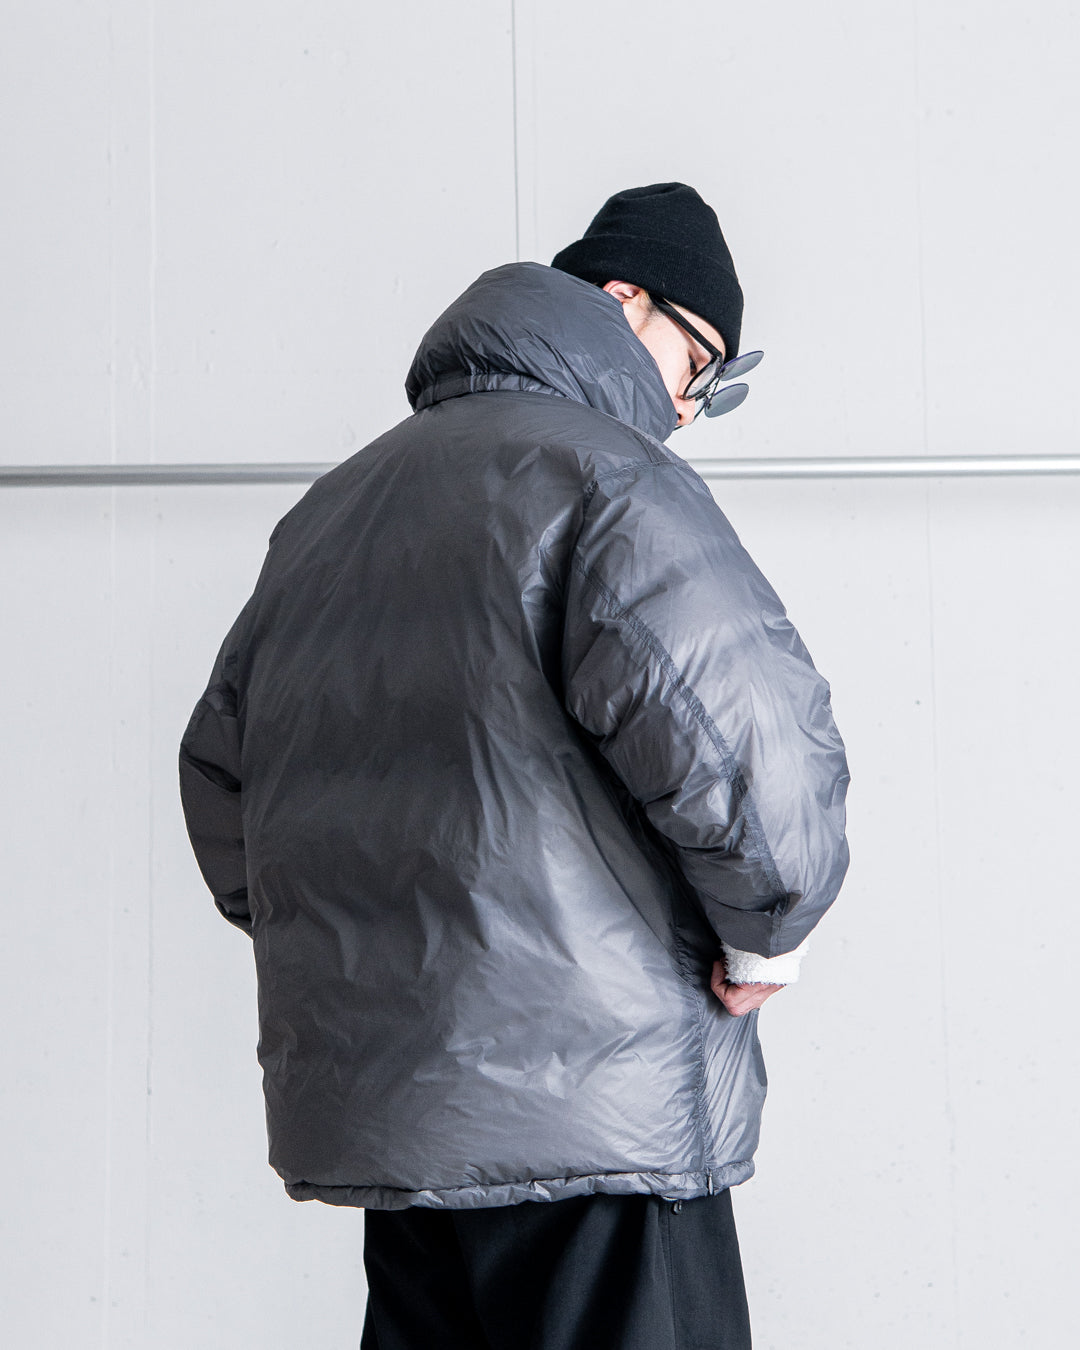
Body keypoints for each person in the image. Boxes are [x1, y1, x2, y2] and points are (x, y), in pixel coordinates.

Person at [179, 182, 850, 1349]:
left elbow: (223, 784)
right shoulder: (606, 479)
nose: (688, 407)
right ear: (624, 300)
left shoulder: (333, 513)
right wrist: (768, 931)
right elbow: (750, 745)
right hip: (602, 1120)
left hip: (403, 1141)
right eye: (699, 362)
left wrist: (373, 950)